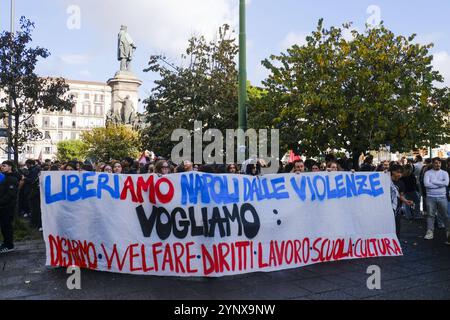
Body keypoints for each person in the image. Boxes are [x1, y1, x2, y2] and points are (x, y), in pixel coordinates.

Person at [423, 158, 450, 244]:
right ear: (432, 163)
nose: (437, 164)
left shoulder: (444, 173)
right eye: (435, 163)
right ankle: (430, 232)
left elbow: (446, 183)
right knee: (430, 215)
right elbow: (426, 184)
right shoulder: (427, 173)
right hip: (430, 197)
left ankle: (448, 232)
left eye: (439, 163)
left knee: (446, 215)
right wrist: (440, 184)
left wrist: (433, 182)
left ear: (441, 164)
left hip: (442, 197)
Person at [0, 161, 20, 253]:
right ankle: (6, 243)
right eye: (1, 166)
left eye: (4, 166)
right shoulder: (6, 177)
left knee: (7, 226)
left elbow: (10, 195)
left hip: (7, 207)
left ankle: (9, 245)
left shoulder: (12, 178)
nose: (2, 167)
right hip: (3, 206)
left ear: (10, 167)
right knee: (4, 226)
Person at [390, 164, 413, 237]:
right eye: (397, 172)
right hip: (385, 207)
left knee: (397, 224)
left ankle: (396, 240)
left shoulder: (401, 183)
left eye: (401, 172)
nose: (399, 174)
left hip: (397, 208)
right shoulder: (384, 180)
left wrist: (406, 201)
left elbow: (401, 196)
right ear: (392, 172)